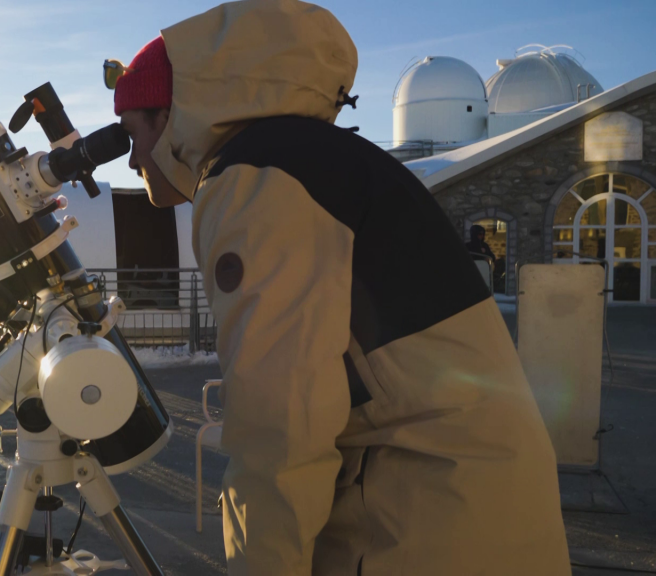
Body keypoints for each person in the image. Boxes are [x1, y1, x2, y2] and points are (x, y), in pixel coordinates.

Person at [110, 2, 570, 574]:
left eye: (132, 133)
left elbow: (280, 423)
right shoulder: (310, 160)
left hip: (423, 526)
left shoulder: (254, 179)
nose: (131, 159)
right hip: (476, 508)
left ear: (169, 114)